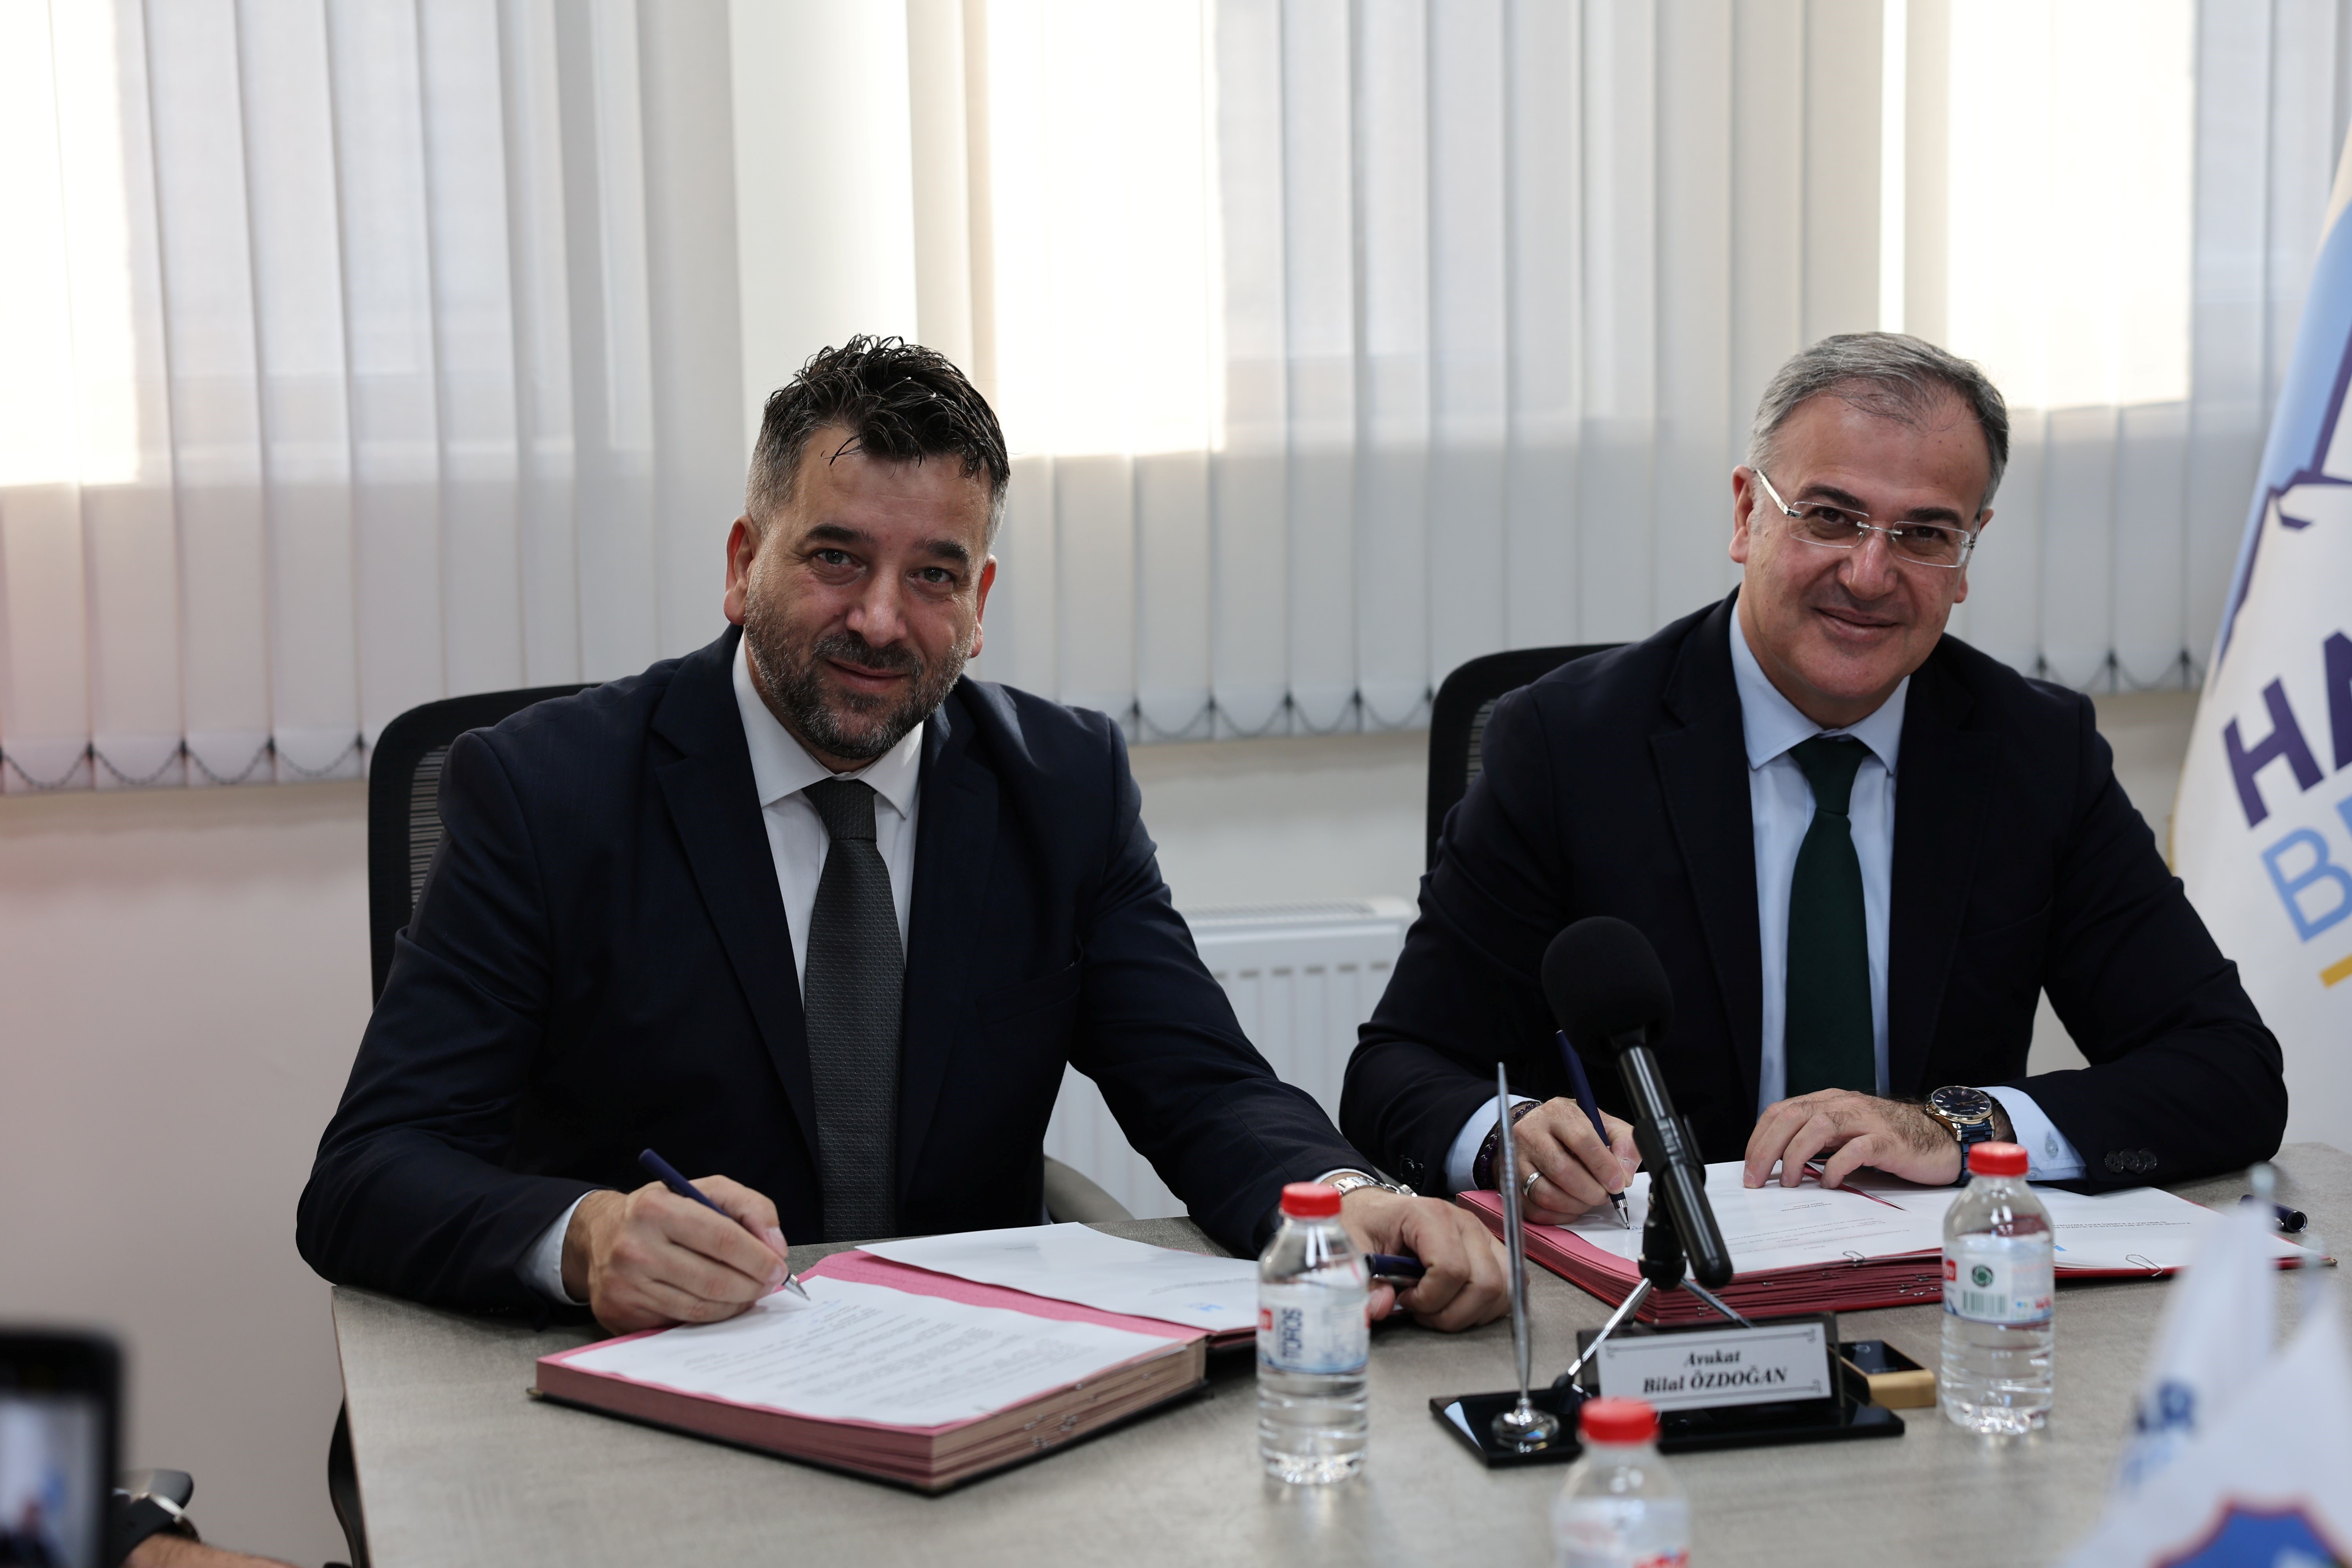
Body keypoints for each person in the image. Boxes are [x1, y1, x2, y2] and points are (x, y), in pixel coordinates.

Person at [299, 337, 1506, 1333]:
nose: (881, 620)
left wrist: (1341, 1198)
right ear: (743, 564)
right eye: (836, 558)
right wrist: (585, 1238)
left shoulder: (1063, 786)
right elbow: (369, 1175)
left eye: (934, 575)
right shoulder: (546, 791)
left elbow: (1202, 1085)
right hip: (663, 1382)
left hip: (961, 1376)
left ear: (978, 608)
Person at [1341, 332, 2286, 1221]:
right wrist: (1503, 1136)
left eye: (1924, 533)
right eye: (1830, 517)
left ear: (1966, 557)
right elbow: (1400, 1067)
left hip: (1932, 1280)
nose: (1869, 574)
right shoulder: (1567, 743)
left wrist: (1958, 1128)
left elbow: (2227, 1068)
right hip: (1659, 1272)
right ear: (1747, 513)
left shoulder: (2033, 750)